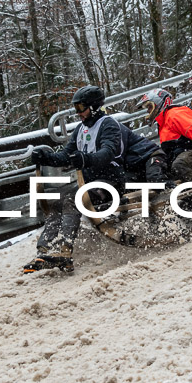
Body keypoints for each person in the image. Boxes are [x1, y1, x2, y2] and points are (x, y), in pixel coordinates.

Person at [25, 85, 125, 274]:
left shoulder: (108, 125)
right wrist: (45, 158)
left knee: (73, 199)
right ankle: (46, 249)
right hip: (87, 182)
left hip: (109, 180)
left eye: (81, 108)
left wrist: (86, 159)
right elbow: (65, 156)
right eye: (76, 109)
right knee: (57, 200)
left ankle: (64, 251)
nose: (78, 113)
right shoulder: (80, 129)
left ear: (94, 107)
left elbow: (108, 152)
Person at [137, 88, 192, 183]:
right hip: (188, 157)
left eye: (149, 107)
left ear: (158, 104)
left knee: (178, 165)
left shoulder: (175, 114)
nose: (148, 111)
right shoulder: (163, 122)